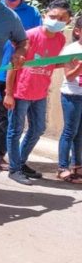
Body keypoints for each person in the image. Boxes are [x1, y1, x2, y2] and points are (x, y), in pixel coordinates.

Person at [4, 0, 71, 185]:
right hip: (21, 92)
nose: (56, 21)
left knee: (38, 128)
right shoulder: (29, 36)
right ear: (44, 16)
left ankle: (21, 162)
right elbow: (13, 65)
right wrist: (9, 93)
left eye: (62, 18)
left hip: (40, 92)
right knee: (15, 130)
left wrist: (66, 63)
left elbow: (48, 63)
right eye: (53, 16)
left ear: (68, 21)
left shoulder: (60, 39)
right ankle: (14, 169)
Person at [0, 0, 43, 171]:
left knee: (14, 117)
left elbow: (37, 41)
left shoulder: (32, 14)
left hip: (19, 73)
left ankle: (8, 156)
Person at [58, 18, 82, 183]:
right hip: (72, 95)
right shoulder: (71, 50)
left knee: (80, 133)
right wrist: (79, 66)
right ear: (77, 31)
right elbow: (69, 76)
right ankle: (62, 167)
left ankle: (77, 165)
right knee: (69, 132)